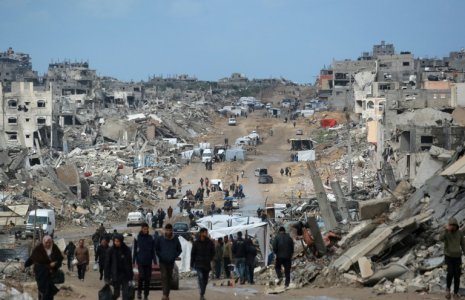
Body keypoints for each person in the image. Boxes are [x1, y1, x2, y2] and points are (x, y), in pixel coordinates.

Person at [22, 236, 63, 300]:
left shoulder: (54, 249)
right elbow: (31, 259)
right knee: (42, 290)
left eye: (49, 242)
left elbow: (59, 260)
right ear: (43, 243)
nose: (48, 244)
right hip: (40, 273)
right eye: (46, 243)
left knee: (50, 290)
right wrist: (25, 266)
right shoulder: (38, 249)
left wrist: (55, 263)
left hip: (51, 274)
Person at [439, 217, 465, 299]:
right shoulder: (446, 233)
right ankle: (447, 290)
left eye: (454, 225)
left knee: (457, 275)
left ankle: (456, 293)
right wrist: (446, 230)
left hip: (457, 257)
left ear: (457, 225)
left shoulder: (459, 233)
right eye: (452, 225)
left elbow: (463, 244)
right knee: (450, 273)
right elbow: (440, 238)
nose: (453, 226)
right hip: (448, 257)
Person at [155, 224, 182, 300]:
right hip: (162, 261)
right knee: (164, 276)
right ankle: (164, 294)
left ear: (172, 230)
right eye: (167, 230)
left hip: (171, 261)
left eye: (170, 230)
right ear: (165, 230)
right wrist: (160, 255)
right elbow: (157, 249)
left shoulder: (175, 239)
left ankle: (167, 294)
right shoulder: (161, 239)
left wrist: (174, 255)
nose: (168, 232)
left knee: (169, 278)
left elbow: (179, 249)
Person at [105, 234, 134, 300]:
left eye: (118, 241)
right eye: (115, 241)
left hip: (125, 275)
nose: (116, 243)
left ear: (121, 241)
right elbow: (107, 265)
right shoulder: (110, 251)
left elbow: (129, 263)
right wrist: (107, 278)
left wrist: (131, 276)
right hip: (116, 275)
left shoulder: (126, 250)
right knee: (116, 294)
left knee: (126, 294)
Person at [191, 228, 215, 300]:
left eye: (206, 233)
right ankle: (201, 294)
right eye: (205, 233)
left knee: (205, 280)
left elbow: (213, 252)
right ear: (201, 233)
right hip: (199, 264)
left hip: (207, 264)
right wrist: (191, 265)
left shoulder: (210, 243)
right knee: (200, 278)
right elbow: (193, 254)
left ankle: (203, 292)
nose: (206, 234)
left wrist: (210, 258)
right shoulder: (196, 243)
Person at [133, 223, 156, 300]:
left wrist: (155, 261)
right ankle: (139, 291)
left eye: (147, 229)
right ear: (141, 229)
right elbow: (135, 250)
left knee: (147, 279)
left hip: (148, 261)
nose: (146, 230)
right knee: (141, 276)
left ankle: (146, 295)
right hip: (140, 261)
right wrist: (133, 261)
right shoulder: (137, 237)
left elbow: (153, 250)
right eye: (144, 229)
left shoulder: (151, 238)